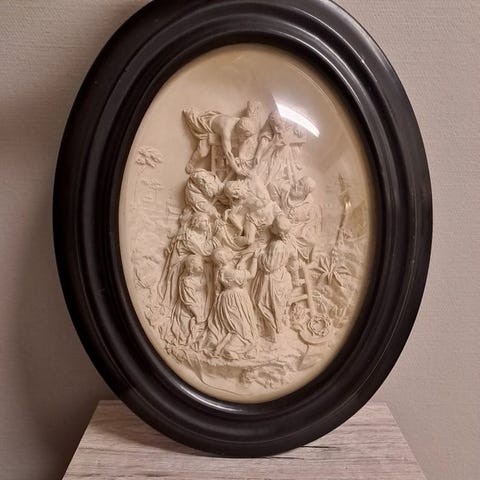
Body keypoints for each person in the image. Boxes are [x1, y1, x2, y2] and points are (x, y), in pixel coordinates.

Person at [251, 215, 301, 341]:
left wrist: (260, 255)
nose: (270, 226)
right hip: (282, 276)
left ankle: (271, 332)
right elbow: (294, 260)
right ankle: (279, 327)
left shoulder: (276, 245)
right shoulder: (289, 242)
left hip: (270, 279)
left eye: (273, 225)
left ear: (278, 232)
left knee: (263, 303)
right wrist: (295, 277)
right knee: (277, 305)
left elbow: (269, 266)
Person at [209, 247, 258, 358]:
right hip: (235, 300)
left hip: (228, 299)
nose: (230, 252)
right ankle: (230, 349)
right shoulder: (230, 273)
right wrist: (254, 258)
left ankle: (223, 348)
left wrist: (242, 260)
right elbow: (251, 274)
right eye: (227, 252)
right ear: (223, 258)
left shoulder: (221, 271)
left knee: (236, 327)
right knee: (241, 327)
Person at [254, 111, 307, 187]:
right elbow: (265, 138)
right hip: (272, 153)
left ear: (284, 121)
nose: (276, 129)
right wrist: (258, 154)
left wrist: (299, 126)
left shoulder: (293, 123)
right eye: (274, 126)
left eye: (278, 126)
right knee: (262, 167)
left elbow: (300, 138)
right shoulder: (271, 122)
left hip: (285, 156)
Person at [165, 255, 207, 349]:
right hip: (188, 309)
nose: (201, 268)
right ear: (191, 270)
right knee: (187, 329)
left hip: (200, 303)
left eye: (201, 266)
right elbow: (189, 301)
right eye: (198, 267)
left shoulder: (202, 276)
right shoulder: (187, 282)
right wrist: (197, 314)